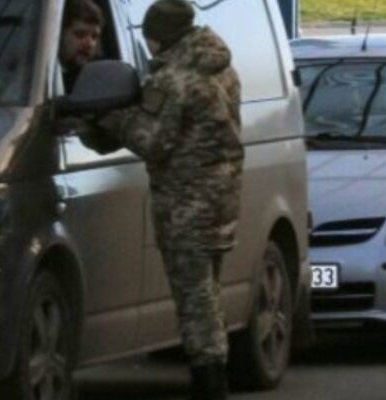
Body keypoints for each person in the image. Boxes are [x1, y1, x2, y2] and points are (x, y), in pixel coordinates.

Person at [81, 1, 244, 399]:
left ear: (158, 36)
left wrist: (111, 117)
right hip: (221, 196)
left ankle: (209, 381)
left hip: (185, 201)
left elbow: (153, 141)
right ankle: (213, 373)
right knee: (207, 291)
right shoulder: (219, 66)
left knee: (194, 297)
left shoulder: (173, 78)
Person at [59, 0, 104, 90]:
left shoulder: (98, 80)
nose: (90, 44)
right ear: (60, 35)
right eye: (80, 35)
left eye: (94, 37)